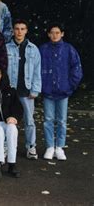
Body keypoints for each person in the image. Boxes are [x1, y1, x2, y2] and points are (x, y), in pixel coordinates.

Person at [40, 23, 83, 161]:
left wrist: (70, 86)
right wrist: (41, 85)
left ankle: (60, 147)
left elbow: (76, 68)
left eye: (57, 32)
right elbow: (36, 68)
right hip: (48, 91)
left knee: (62, 121)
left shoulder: (69, 49)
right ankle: (49, 146)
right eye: (52, 32)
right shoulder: (43, 49)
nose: (54, 35)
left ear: (62, 34)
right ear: (48, 34)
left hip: (63, 91)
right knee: (48, 120)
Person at [6, 19, 42, 160]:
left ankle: (31, 146)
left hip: (26, 90)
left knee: (29, 120)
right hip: (11, 89)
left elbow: (37, 71)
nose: (19, 31)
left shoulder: (33, 49)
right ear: (13, 30)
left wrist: (35, 89)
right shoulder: (7, 47)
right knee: (7, 119)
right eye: (17, 28)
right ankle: (6, 146)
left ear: (26, 31)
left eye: (22, 29)